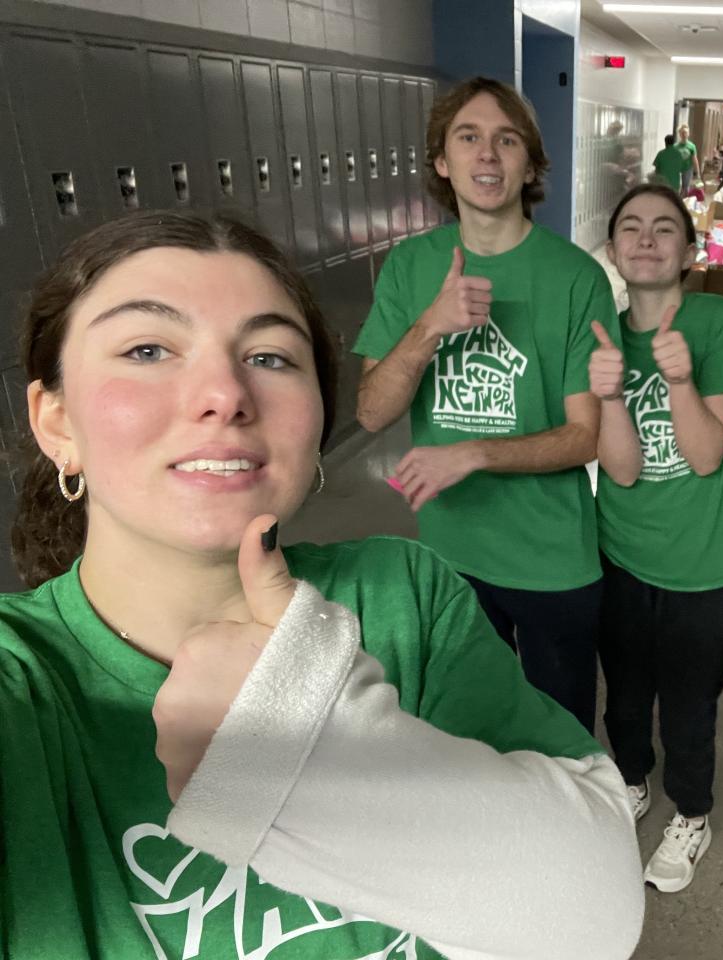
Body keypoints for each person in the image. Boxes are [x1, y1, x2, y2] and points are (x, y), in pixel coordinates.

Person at [0, 210, 644, 960]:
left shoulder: (402, 595)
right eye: (147, 349)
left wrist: (296, 724)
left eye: (269, 356)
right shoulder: (22, 682)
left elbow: (594, 910)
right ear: (56, 422)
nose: (224, 393)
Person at [354, 77, 619, 732]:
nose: (487, 155)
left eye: (507, 140)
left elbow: (585, 436)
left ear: (530, 164)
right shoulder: (410, 268)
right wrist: (429, 327)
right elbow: (371, 412)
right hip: (452, 557)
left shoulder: (575, 277)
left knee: (561, 738)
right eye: (468, 137)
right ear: (442, 162)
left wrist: (471, 453)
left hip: (552, 560)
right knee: (470, 735)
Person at [588, 184, 723, 893]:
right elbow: (623, 470)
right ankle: (632, 779)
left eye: (664, 228)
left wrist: (681, 381)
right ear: (612, 250)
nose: (646, 239)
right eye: (630, 227)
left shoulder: (720, 323)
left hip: (703, 563)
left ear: (689, 253)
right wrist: (608, 394)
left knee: (690, 707)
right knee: (625, 696)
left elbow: (706, 454)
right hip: (621, 555)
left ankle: (692, 813)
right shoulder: (604, 338)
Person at [675, 124, 699, 195]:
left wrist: (697, 172)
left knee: (685, 188)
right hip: (677, 170)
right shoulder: (675, 146)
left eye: (685, 132)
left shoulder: (692, 146)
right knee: (677, 188)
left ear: (688, 134)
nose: (684, 134)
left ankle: (684, 200)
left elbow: (695, 159)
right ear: (679, 134)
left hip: (687, 169)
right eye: (682, 133)